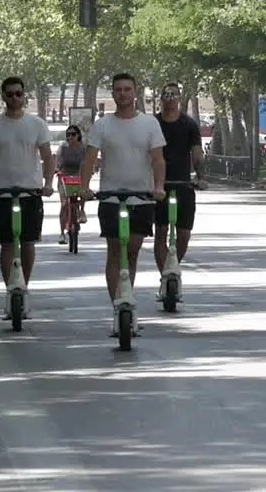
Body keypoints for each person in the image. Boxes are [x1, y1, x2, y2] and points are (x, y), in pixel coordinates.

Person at [80, 73, 165, 335]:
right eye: (118, 90)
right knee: (116, 250)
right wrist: (84, 188)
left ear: (136, 92)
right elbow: (90, 158)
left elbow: (158, 159)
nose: (123, 94)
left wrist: (158, 187)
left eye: (127, 89)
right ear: (113, 94)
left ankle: (127, 293)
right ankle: (119, 305)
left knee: (134, 250)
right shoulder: (102, 125)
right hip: (111, 196)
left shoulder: (149, 123)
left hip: (141, 196)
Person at [0, 76, 54, 318]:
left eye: (18, 93)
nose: (14, 98)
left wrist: (48, 184)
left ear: (24, 95)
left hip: (30, 192)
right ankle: (11, 290)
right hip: (2, 192)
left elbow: (48, 157)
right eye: (9, 94)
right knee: (7, 243)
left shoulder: (37, 124)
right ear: (3, 96)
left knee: (28, 243)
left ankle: (23, 287)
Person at [153, 82, 208, 300]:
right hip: (159, 186)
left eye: (174, 95)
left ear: (179, 98)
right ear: (161, 99)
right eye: (166, 95)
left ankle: (173, 267)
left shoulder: (189, 125)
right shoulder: (153, 123)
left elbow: (197, 154)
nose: (170, 99)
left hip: (184, 184)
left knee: (184, 234)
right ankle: (166, 277)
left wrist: (201, 177)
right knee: (161, 232)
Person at [52, 124, 87, 245]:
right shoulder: (63, 146)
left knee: (83, 192)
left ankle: (82, 211)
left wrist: (88, 172)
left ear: (78, 135)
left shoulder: (83, 148)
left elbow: (86, 163)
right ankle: (62, 233)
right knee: (64, 205)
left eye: (73, 134)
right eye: (68, 134)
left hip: (78, 176)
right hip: (64, 177)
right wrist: (57, 169)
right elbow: (57, 159)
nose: (70, 137)